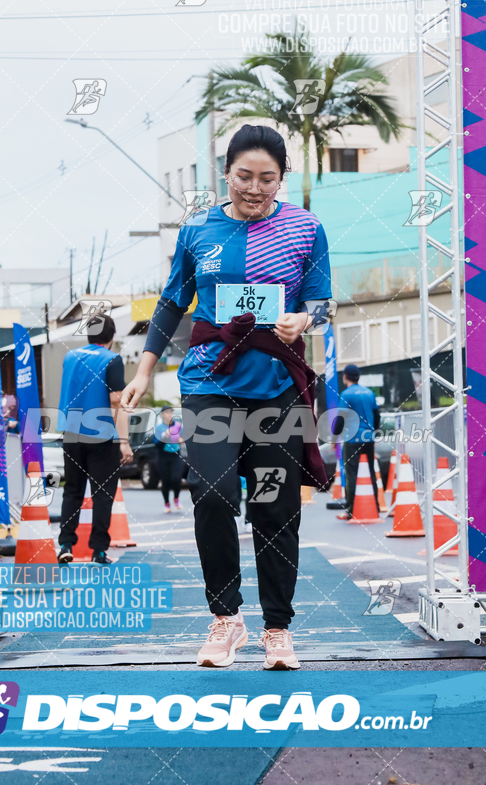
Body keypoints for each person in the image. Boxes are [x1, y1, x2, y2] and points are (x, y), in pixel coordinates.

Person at [121, 124, 332, 671]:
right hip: (208, 381)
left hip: (277, 390)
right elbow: (171, 304)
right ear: (226, 173)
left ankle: (277, 629)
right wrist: (144, 371)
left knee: (274, 507)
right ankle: (225, 617)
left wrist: (305, 317)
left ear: (282, 179)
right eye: (244, 176)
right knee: (212, 494)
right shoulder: (198, 233)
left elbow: (323, 301)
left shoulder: (305, 229)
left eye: (267, 178)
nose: (255, 188)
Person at [57, 314, 133, 565]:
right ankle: (98, 550)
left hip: (71, 432)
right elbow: (116, 401)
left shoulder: (70, 357)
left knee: (73, 490)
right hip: (101, 436)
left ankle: (66, 544)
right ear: (111, 337)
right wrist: (124, 440)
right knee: (102, 494)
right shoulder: (112, 359)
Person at [338, 363, 380, 519]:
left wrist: (335, 435)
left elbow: (341, 417)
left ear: (345, 377)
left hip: (352, 438)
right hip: (368, 438)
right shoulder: (369, 393)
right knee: (370, 472)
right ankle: (374, 505)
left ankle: (351, 509)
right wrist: (374, 434)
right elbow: (377, 415)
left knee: (352, 473)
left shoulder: (347, 394)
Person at [154, 406, 183, 513]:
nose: (169, 414)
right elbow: (156, 445)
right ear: (162, 415)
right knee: (165, 481)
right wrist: (165, 437)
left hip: (176, 456)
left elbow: (183, 438)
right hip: (163, 456)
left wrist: (181, 440)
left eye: (171, 412)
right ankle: (167, 503)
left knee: (176, 478)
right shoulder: (158, 428)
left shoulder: (178, 425)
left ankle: (176, 499)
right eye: (166, 413)